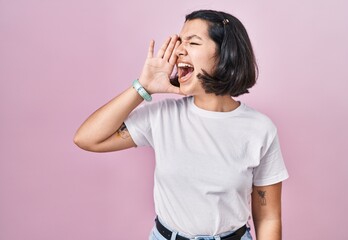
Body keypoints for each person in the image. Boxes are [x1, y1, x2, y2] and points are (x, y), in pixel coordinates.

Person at [74, 9, 289, 240]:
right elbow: (87, 138)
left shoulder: (260, 129)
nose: (179, 51)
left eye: (193, 42)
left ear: (225, 54)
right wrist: (143, 88)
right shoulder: (162, 116)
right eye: (179, 42)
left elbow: (268, 217)